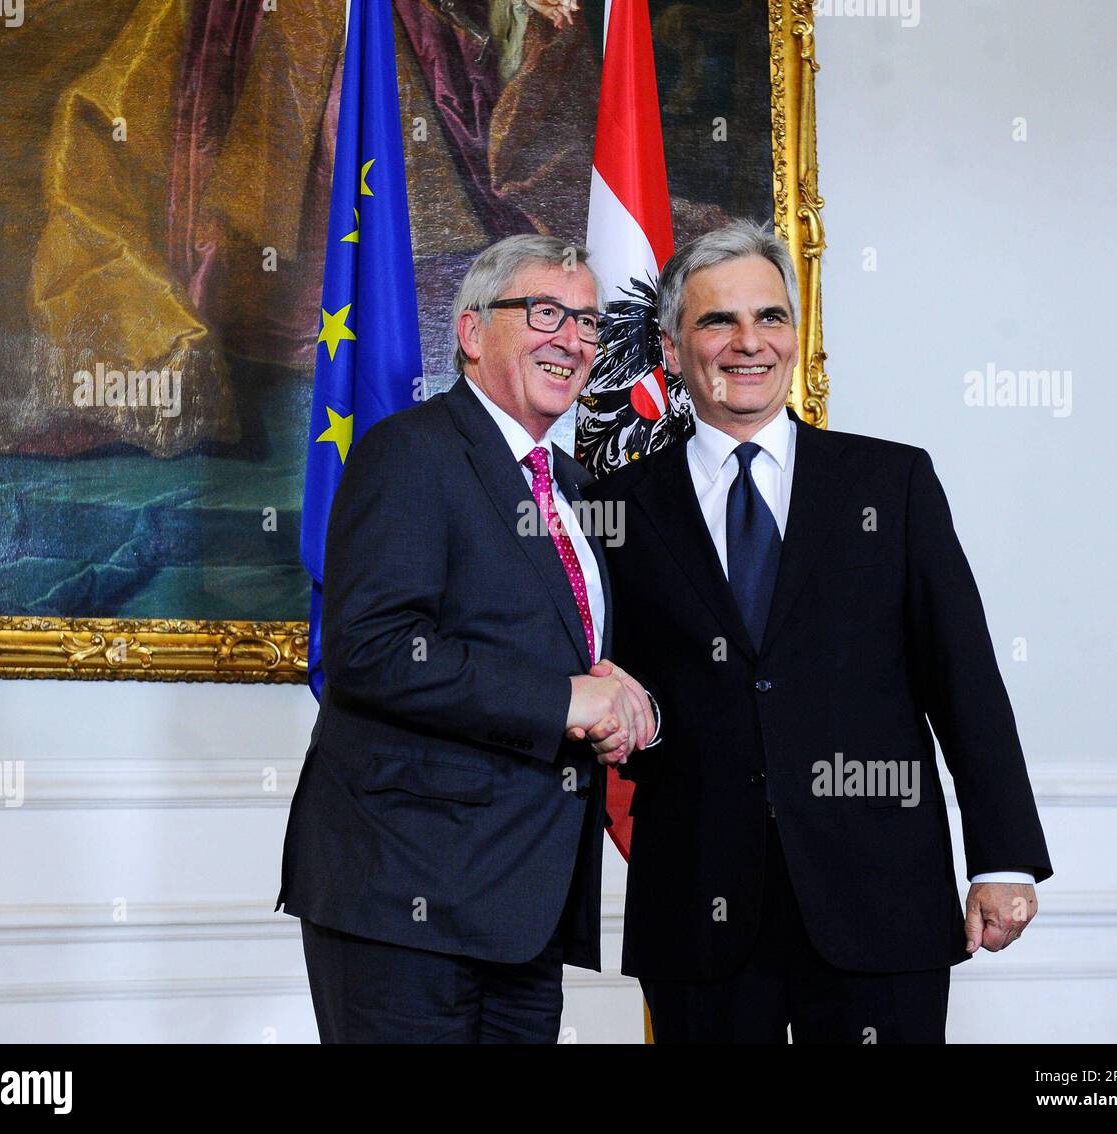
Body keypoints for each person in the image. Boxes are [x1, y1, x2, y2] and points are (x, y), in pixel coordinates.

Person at [584, 220, 1053, 1044]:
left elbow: (965, 678)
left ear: (796, 335)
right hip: (697, 904)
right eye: (717, 321)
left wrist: (1004, 857)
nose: (748, 343)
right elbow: (597, 682)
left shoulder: (891, 481)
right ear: (669, 346)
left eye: (770, 317)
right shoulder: (612, 507)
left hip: (881, 899)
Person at [276, 234, 655, 1043]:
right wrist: (562, 699)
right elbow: (372, 648)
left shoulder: (575, 489)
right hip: (405, 900)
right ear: (475, 333)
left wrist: (628, 700)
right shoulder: (410, 453)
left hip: (525, 910)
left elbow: (570, 654)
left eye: (587, 321)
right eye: (546, 312)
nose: (574, 339)